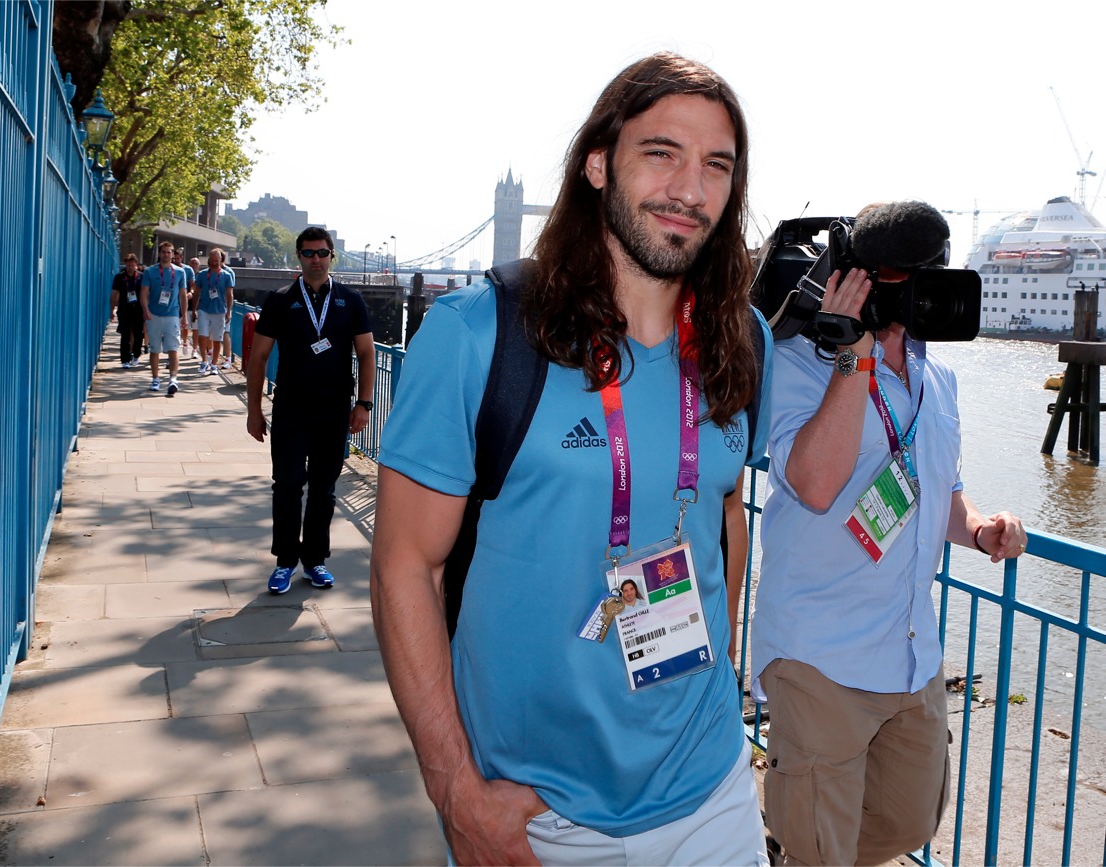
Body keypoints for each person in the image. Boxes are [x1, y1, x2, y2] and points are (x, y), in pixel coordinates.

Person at [370, 52, 771, 865]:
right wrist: (455, 791)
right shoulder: (477, 335)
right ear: (597, 164)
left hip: (713, 792)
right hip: (538, 815)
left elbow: (722, 515)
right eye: (662, 153)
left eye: (716, 167)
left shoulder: (743, 343)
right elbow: (404, 565)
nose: (690, 190)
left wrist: (722, 684)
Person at [751, 201, 1029, 867]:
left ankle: (793, 846)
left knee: (909, 819)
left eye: (934, 272)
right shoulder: (795, 363)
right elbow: (815, 484)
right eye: (908, 275)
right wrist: (855, 356)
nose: (923, 289)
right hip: (818, 653)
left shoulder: (941, 379)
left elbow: (941, 495)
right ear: (864, 278)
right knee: (821, 846)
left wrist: (982, 528)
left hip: (910, 651)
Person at [245, 227, 376, 594]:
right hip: (290, 409)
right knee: (286, 485)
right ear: (298, 257)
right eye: (307, 253)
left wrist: (364, 404)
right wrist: (254, 411)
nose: (315, 259)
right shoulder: (281, 299)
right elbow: (259, 358)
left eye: (321, 253)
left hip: (334, 411)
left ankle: (315, 560)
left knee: (323, 488)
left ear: (332, 256)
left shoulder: (350, 300)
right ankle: (285, 561)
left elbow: (367, 354)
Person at [140, 241, 189, 395]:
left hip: (172, 314)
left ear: (173, 254)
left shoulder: (180, 272)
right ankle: (155, 379)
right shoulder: (150, 272)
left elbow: (183, 295)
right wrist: (145, 309)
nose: (166, 255)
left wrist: (184, 315)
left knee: (173, 348)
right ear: (159, 254)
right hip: (154, 314)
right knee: (155, 348)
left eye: (169, 252)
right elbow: (144, 292)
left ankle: (173, 379)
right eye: (164, 252)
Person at [194, 248, 234, 375]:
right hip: (204, 309)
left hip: (220, 311)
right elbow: (196, 292)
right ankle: (204, 361)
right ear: (209, 260)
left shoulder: (226, 275)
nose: (214, 263)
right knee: (203, 336)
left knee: (217, 339)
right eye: (212, 260)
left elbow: (230, 294)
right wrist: (194, 309)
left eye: (217, 260)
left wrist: (229, 311)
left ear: (221, 260)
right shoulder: (202, 274)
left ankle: (214, 364)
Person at [110, 253, 144, 368]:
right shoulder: (119, 277)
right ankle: (125, 359)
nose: (130, 267)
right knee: (125, 335)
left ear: (136, 265)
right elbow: (114, 293)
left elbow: (146, 293)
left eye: (132, 265)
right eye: (128, 265)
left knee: (138, 334)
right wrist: (112, 310)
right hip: (124, 309)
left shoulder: (141, 277)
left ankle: (136, 354)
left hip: (138, 309)